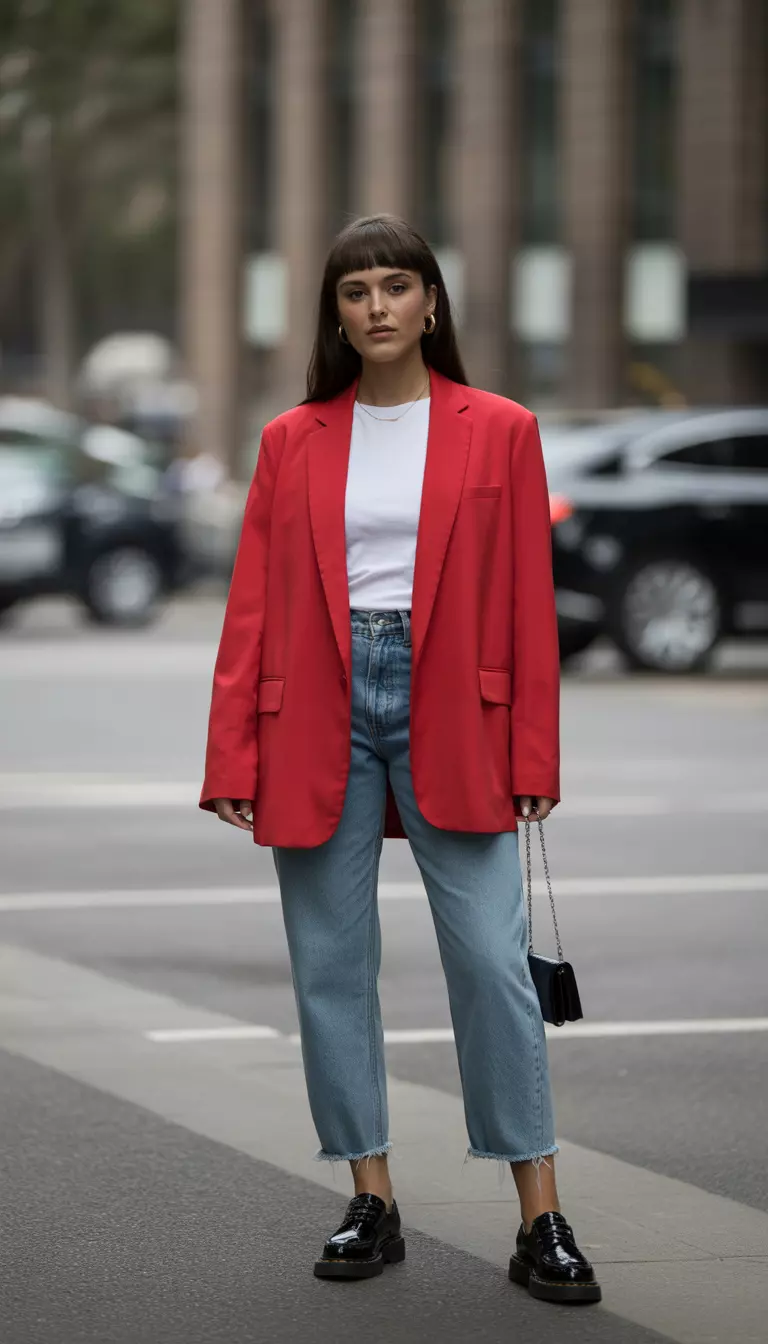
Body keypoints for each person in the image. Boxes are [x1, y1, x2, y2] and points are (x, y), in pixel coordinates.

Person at [200, 214, 601, 1306]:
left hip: (453, 708)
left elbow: (527, 603)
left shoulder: (500, 429)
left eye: (396, 286)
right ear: (336, 314)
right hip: (318, 708)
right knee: (332, 970)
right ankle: (370, 1196)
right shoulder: (292, 439)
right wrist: (231, 749)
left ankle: (543, 1216)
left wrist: (535, 749)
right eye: (355, 292)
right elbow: (253, 608)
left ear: (431, 302)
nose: (376, 307)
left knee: (489, 965)